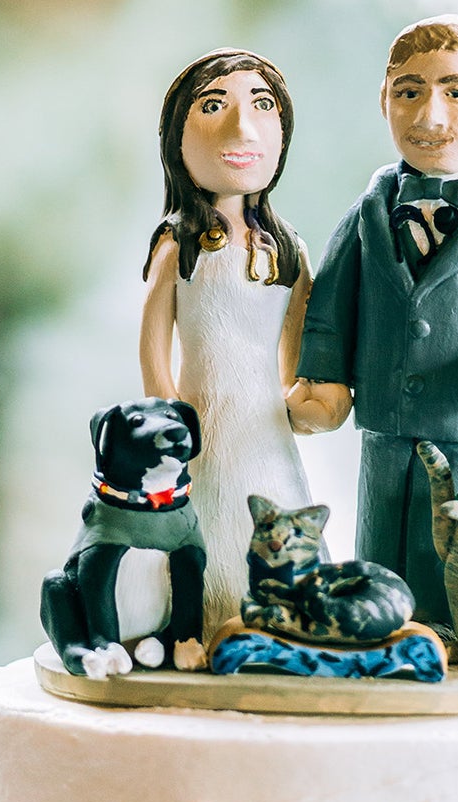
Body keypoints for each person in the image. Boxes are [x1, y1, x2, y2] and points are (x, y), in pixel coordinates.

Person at [291, 16, 458, 625]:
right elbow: (330, 308)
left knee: (452, 539)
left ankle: (450, 630)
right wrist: (324, 379)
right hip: (383, 423)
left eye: (457, 91)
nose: (430, 117)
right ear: (384, 103)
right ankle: (376, 626)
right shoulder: (368, 213)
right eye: (409, 92)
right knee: (380, 534)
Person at [140, 49, 317, 642]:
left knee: (271, 514)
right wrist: (167, 410)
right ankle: (195, 625)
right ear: (176, 137)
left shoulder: (286, 250)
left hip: (266, 426)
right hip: (200, 420)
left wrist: (304, 396)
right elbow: (153, 341)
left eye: (261, 106)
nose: (241, 129)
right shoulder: (179, 243)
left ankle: (279, 622)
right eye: (213, 106)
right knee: (203, 523)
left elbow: (299, 342)